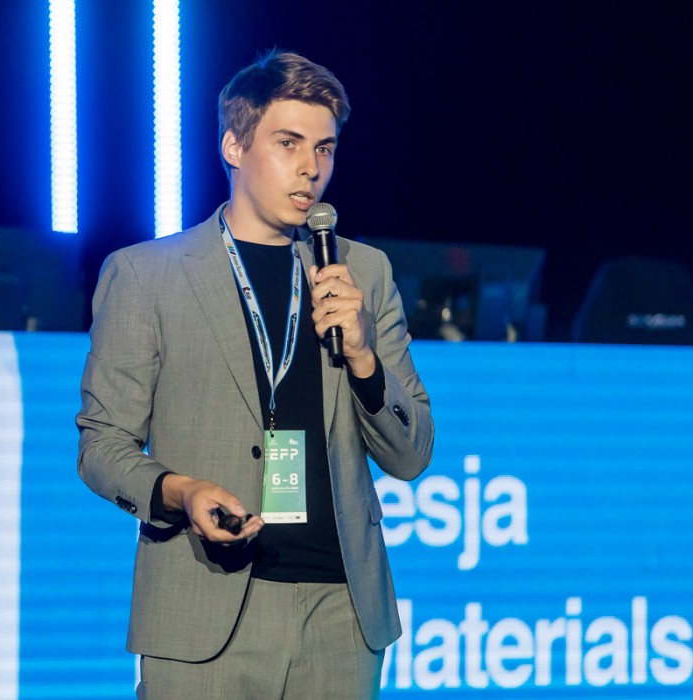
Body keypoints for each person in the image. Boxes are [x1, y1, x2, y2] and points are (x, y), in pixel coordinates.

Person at [76, 49, 434, 699]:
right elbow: (102, 446)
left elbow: (412, 455)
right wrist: (182, 491)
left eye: (324, 148)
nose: (311, 168)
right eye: (288, 143)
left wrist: (363, 359)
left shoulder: (364, 272)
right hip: (203, 604)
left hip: (340, 612)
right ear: (234, 146)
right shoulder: (147, 275)